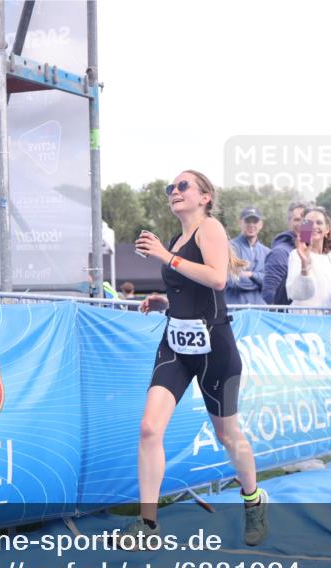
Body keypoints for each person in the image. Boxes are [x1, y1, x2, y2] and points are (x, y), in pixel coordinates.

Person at [132, 170, 267, 546]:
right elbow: (190, 289)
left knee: (227, 434)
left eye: (182, 186)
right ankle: (147, 524)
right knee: (149, 428)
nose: (173, 191)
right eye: (169, 187)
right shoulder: (176, 239)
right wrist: (165, 300)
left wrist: (166, 257)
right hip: (176, 345)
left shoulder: (210, 228)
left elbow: (217, 279)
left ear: (205, 197)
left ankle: (253, 500)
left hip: (214, 348)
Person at [285, 207, 331, 308]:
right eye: (309, 223)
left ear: (327, 229)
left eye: (319, 223)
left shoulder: (330, 258)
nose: (314, 226)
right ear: (304, 228)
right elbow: (295, 293)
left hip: (327, 317)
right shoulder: (296, 255)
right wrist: (305, 267)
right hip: (303, 317)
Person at [262, 202, 306, 305]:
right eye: (297, 219)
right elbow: (270, 294)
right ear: (289, 222)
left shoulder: (318, 252)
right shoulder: (280, 253)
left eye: (305, 220)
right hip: (293, 313)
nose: (301, 223)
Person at [225, 206, 271, 305]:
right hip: (236, 311)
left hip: (260, 311)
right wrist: (259, 280)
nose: (251, 225)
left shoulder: (267, 252)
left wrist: (251, 275)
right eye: (247, 221)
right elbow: (233, 281)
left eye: (255, 221)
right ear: (240, 222)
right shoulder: (230, 247)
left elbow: (270, 283)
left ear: (261, 224)